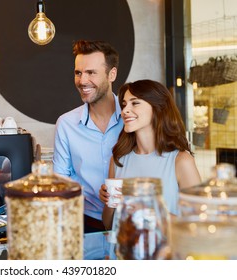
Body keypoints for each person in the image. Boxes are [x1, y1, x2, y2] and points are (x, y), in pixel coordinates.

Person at [99, 79, 202, 230]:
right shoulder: (118, 159)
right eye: (124, 104)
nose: (125, 110)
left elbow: (198, 224)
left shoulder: (181, 161)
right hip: (124, 251)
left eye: (134, 103)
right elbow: (109, 224)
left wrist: (147, 210)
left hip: (165, 252)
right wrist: (110, 202)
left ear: (157, 108)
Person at [53, 40, 123, 259]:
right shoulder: (66, 123)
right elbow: (61, 185)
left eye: (91, 72)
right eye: (78, 73)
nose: (82, 81)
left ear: (111, 74)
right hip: (85, 227)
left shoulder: (134, 118)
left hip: (132, 222)